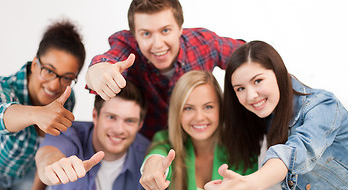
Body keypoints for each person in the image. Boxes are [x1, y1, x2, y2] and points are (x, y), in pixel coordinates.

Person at [204, 41, 348, 190]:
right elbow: (293, 181)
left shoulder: (322, 106)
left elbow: (297, 153)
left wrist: (252, 184)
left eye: (257, 81)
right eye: (240, 89)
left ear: (278, 73)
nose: (251, 96)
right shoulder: (270, 119)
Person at [20, 82, 165, 190]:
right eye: (111, 117)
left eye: (129, 121)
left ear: (139, 124)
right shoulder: (70, 134)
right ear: (95, 116)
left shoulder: (148, 159)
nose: (119, 130)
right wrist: (52, 168)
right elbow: (47, 155)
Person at [85, 0, 245, 139]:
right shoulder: (129, 49)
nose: (158, 44)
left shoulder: (204, 44)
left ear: (180, 28)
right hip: (147, 143)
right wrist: (98, 73)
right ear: (134, 35)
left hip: (199, 138)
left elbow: (250, 56)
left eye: (165, 30)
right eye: (146, 34)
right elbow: (104, 64)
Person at [0, 19, 85, 190]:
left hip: (23, 174)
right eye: (49, 70)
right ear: (34, 64)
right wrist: (38, 114)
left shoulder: (67, 98)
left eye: (67, 78)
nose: (55, 85)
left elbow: (50, 145)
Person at [139, 70, 259, 190]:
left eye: (208, 107)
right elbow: (158, 156)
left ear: (221, 108)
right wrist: (153, 166)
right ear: (177, 112)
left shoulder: (242, 148)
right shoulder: (167, 141)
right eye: (188, 108)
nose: (199, 117)